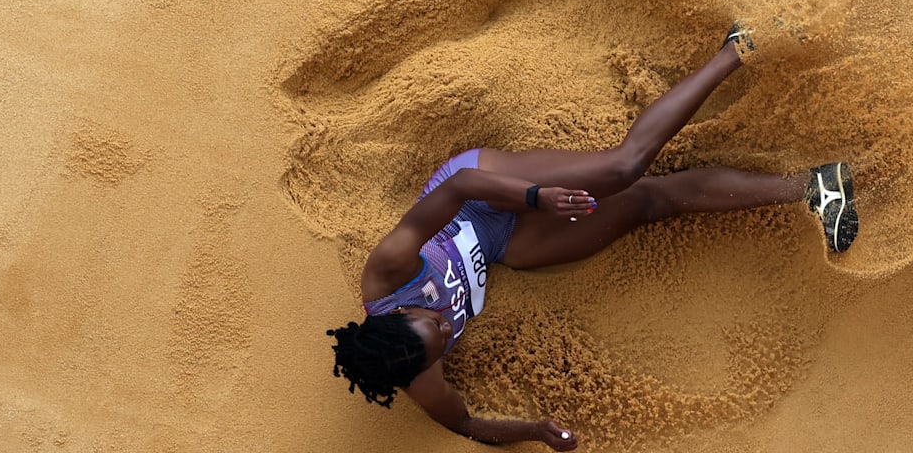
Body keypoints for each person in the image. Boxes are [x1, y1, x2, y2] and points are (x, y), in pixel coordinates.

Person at [326, 25, 858, 451]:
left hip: (479, 195)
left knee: (622, 169)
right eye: (442, 339)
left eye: (432, 324)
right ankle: (813, 189)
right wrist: (534, 431)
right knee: (649, 203)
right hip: (502, 247)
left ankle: (738, 46)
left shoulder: (390, 271)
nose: (444, 327)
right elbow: (465, 423)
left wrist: (537, 196)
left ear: (399, 314)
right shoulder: (419, 373)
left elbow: (462, 185)